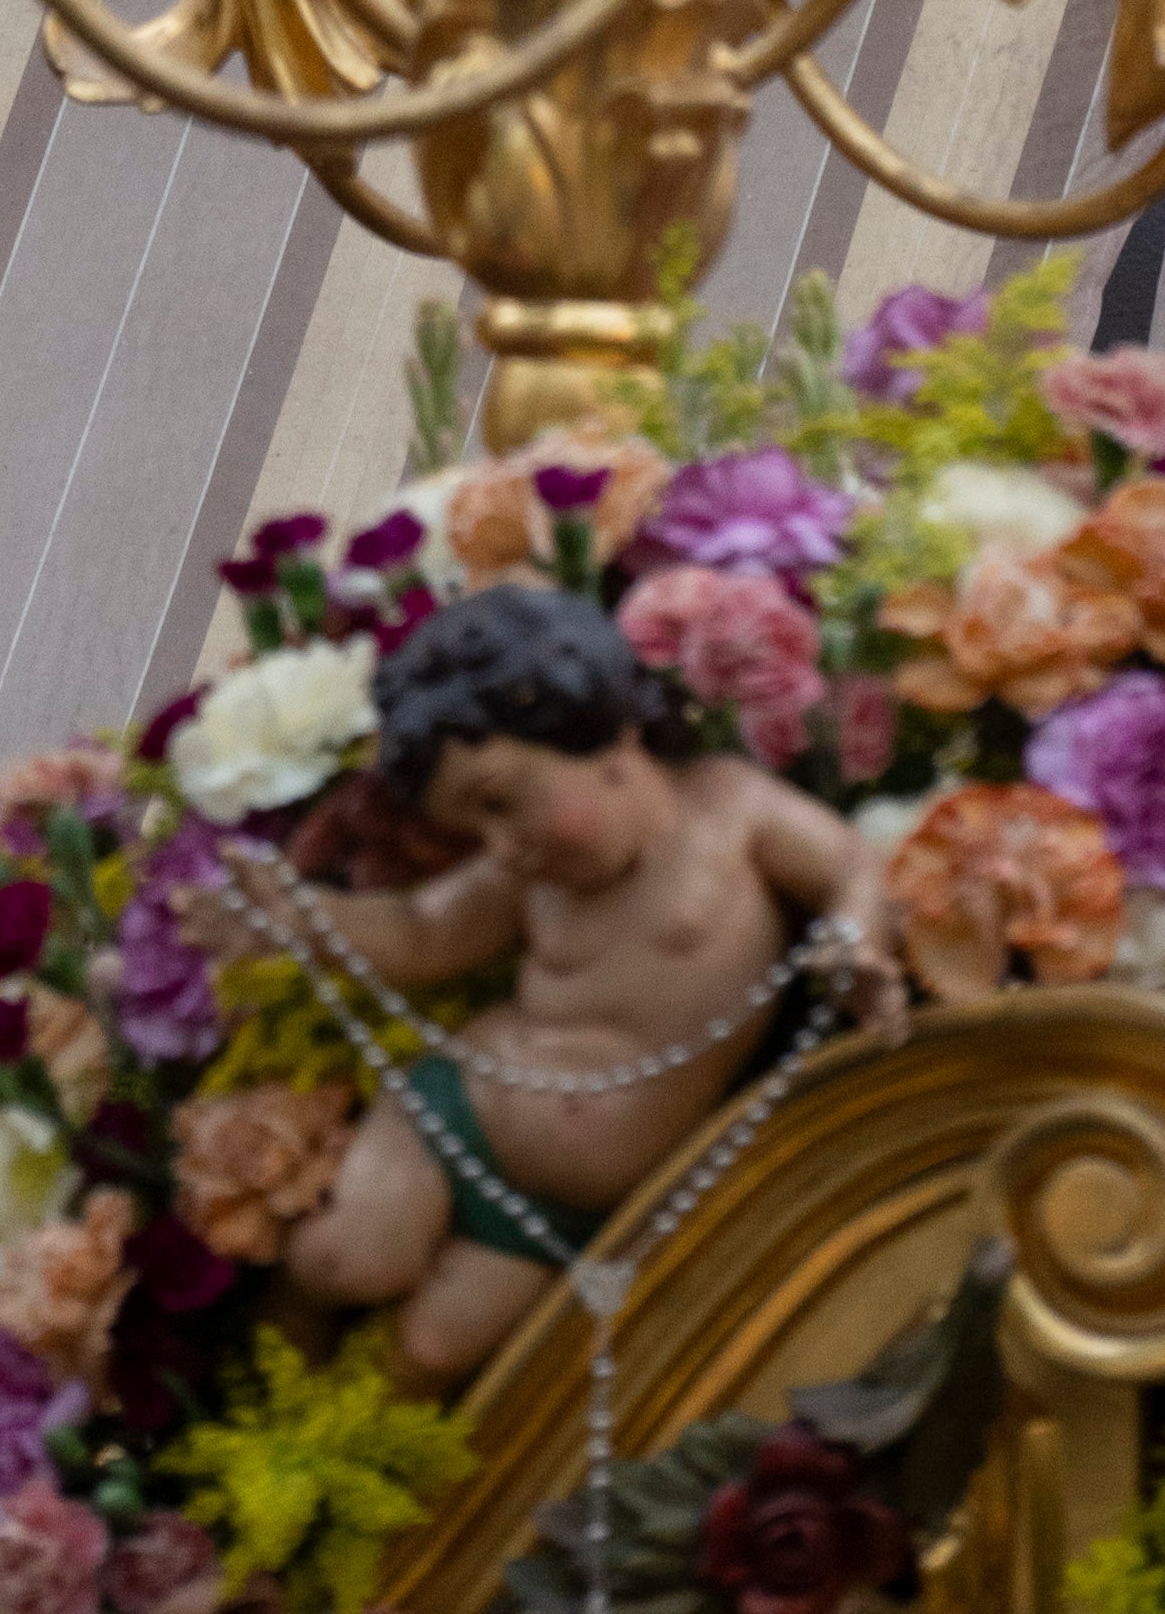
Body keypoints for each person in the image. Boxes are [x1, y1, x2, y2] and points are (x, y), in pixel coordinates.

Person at [267, 581, 900, 1390]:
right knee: (347, 1259)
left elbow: (850, 866)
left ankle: (298, 1474)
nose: (498, 847)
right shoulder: (529, 880)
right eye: (475, 827)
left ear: (596, 727)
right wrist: (301, 920)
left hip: (576, 1215)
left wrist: (854, 944)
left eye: (500, 802)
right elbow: (424, 934)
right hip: (465, 1113)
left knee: (428, 1357)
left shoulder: (731, 814)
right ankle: (257, 1383)